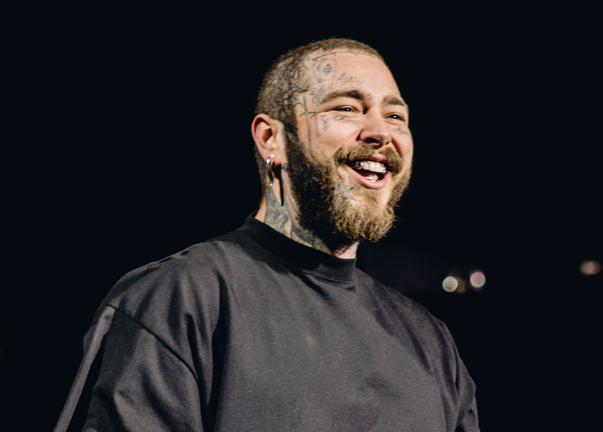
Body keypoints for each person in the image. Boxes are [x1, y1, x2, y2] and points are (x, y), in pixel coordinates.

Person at [55, 38, 479, 432]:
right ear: (270, 137)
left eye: (395, 116)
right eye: (347, 108)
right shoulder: (178, 298)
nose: (380, 133)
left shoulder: (430, 342)